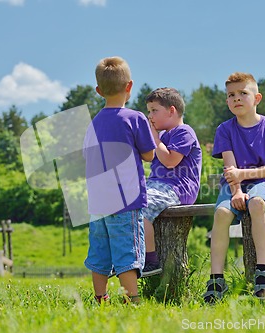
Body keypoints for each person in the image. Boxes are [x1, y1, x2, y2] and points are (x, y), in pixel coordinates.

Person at [203, 72, 265, 303]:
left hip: (264, 183)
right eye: (231, 95)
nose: (237, 98)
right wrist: (237, 191)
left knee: (257, 202)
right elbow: (230, 169)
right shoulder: (225, 130)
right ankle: (216, 280)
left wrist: (244, 176)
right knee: (221, 213)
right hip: (234, 186)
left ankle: (262, 272)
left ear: (257, 98)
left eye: (243, 93)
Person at [83, 56, 156, 304]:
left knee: (100, 251)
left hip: (98, 202)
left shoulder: (93, 122)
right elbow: (149, 154)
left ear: (98, 90)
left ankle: (99, 298)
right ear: (129, 86)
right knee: (127, 250)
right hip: (126, 200)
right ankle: (132, 299)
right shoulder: (135, 118)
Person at [142, 87, 202, 277]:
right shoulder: (161, 136)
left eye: (154, 110)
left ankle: (150, 261)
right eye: (149, 111)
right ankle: (123, 257)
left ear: (171, 110)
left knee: (140, 207)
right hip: (157, 185)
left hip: (178, 187)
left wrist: (154, 137)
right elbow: (150, 156)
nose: (150, 115)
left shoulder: (184, 132)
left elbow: (169, 161)